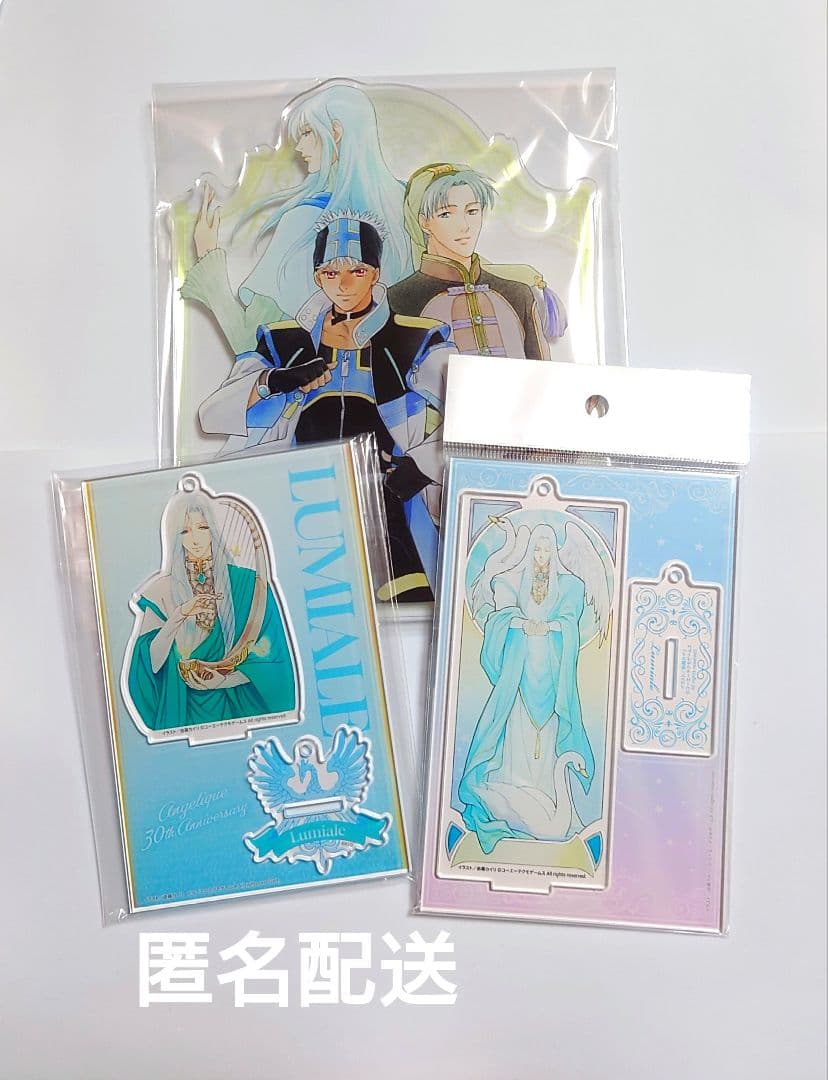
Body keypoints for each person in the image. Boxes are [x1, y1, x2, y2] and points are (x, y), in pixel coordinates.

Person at [198, 210, 456, 602]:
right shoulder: (284, 342)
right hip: (303, 501)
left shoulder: (414, 339)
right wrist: (274, 380)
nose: (344, 284)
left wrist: (421, 466)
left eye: (357, 271)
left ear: (375, 273)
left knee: (407, 599)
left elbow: (472, 415)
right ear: (318, 277)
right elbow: (212, 414)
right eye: (331, 273)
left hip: (387, 502)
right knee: (300, 601)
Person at [180, 81, 412, 357]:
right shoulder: (409, 207)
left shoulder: (302, 221)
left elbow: (249, 342)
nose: (300, 147)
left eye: (307, 132)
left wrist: (207, 256)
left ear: (336, 132)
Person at [458, 521, 600, 854]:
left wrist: (550, 626)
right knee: (514, 734)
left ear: (554, 552)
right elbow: (500, 616)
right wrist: (520, 622)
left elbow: (570, 622)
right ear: (530, 549)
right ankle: (513, 799)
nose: (541, 554)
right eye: (537, 548)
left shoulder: (570, 586)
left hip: (551, 676)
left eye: (547, 548)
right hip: (519, 674)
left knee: (547, 740)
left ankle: (547, 801)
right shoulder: (512, 580)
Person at [125, 486, 298, 731]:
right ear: (175, 538)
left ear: (213, 530)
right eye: (185, 531)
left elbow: (273, 658)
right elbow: (149, 664)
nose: (195, 539)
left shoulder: (248, 584)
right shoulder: (160, 590)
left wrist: (225, 680)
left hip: (237, 706)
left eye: (202, 527)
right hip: (183, 710)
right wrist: (179, 615)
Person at [388, 163, 567, 359]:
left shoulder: (519, 295)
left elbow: (541, 370)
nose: (464, 225)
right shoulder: (397, 301)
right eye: (446, 214)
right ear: (424, 222)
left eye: (472, 211)